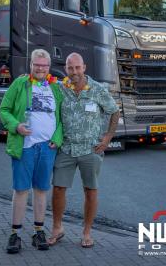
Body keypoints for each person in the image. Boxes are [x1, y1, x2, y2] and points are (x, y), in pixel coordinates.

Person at [49, 52, 119, 248]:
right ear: (66, 69)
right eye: (70, 68)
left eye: (77, 68)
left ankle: (87, 232)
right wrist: (26, 79)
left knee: (90, 190)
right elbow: (40, 85)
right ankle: (57, 228)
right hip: (67, 147)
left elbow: (114, 111)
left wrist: (107, 138)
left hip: (91, 149)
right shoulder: (61, 88)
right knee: (58, 188)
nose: (74, 72)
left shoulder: (97, 89)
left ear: (84, 67)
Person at [0, 49, 63, 254]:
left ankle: (38, 231)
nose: (41, 68)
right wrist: (16, 126)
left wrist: (57, 138)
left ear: (49, 66)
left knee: (42, 190)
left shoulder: (55, 87)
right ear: (31, 65)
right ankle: (15, 234)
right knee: (20, 190)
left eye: (44, 65)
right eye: (37, 64)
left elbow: (61, 118)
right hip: (25, 146)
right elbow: (4, 110)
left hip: (47, 147)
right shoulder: (20, 84)